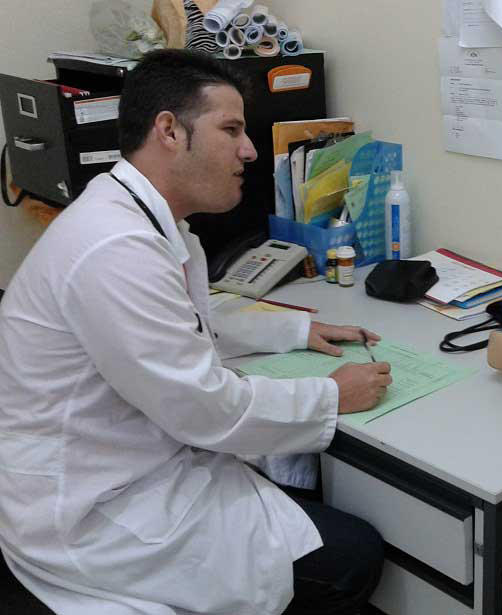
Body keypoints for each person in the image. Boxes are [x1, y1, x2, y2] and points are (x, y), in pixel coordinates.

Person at [0, 49, 394, 614]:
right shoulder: (117, 249)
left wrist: (293, 331)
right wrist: (334, 395)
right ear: (169, 131)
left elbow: (181, 322)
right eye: (231, 129)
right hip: (92, 514)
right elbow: (204, 408)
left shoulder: (137, 218)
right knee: (353, 553)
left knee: (300, 507)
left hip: (126, 469)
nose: (250, 150)